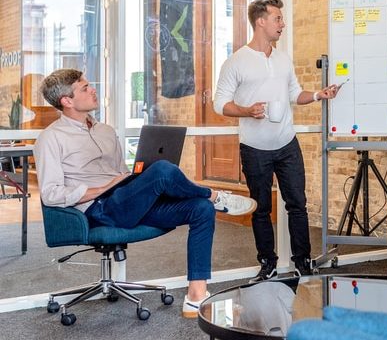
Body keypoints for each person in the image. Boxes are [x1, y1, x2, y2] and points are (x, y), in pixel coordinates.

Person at [34, 69, 257, 319]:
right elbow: (51, 194)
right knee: (162, 171)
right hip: (100, 209)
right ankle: (214, 196)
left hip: (126, 201)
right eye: (85, 88)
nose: (93, 90)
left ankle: (196, 296)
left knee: (199, 209)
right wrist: (102, 188)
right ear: (67, 101)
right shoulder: (50, 138)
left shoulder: (105, 131)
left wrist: (133, 178)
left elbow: (120, 173)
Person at [213, 0, 339, 282]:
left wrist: (319, 94)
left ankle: (302, 261)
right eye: (277, 18)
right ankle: (267, 263)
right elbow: (219, 104)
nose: (282, 24)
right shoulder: (237, 61)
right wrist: (246, 110)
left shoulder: (283, 59)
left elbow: (295, 94)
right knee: (261, 207)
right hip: (255, 148)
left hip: (287, 144)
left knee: (297, 204)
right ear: (261, 21)